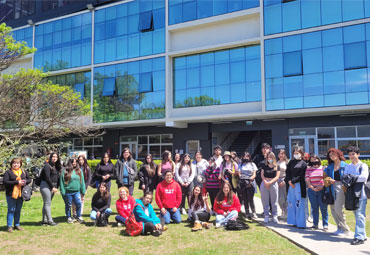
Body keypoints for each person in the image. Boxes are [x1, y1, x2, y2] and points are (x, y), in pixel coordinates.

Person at [343, 146, 368, 245]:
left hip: (361, 194)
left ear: (358, 154)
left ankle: (359, 237)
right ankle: (363, 235)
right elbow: (344, 178)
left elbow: (364, 177)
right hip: (351, 194)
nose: (351, 156)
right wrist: (353, 178)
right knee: (357, 215)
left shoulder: (363, 166)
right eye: (349, 154)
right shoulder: (348, 166)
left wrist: (351, 178)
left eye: (353, 154)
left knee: (359, 215)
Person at [323, 148, 350, 236]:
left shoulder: (345, 165)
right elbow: (324, 176)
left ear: (338, 154)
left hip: (341, 188)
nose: (332, 157)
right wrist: (327, 178)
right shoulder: (329, 167)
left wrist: (339, 182)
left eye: (333, 154)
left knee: (338, 208)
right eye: (330, 156)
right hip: (331, 187)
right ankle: (339, 228)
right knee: (333, 209)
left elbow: (348, 178)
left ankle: (345, 229)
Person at [3, 158, 31, 232]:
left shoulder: (23, 172)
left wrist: (24, 181)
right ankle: (9, 226)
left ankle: (17, 225)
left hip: (21, 194)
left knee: (18, 210)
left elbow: (29, 179)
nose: (16, 165)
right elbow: (5, 182)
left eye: (18, 163)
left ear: (20, 164)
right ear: (11, 164)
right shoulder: (8, 172)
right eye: (14, 163)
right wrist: (17, 182)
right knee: (11, 210)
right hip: (11, 194)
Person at [285, 147, 307, 228]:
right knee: (291, 203)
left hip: (299, 185)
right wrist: (289, 181)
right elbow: (287, 172)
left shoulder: (303, 164)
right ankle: (293, 221)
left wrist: (293, 181)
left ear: (301, 153)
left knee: (299, 204)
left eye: (297, 152)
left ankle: (301, 223)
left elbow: (302, 176)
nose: (296, 154)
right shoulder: (291, 162)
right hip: (291, 185)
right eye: (294, 153)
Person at [305, 155, 328, 231]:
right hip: (312, 191)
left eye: (316, 159)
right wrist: (311, 187)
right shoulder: (308, 169)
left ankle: (325, 224)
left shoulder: (323, 168)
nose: (314, 160)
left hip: (321, 190)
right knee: (314, 208)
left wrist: (322, 186)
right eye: (312, 159)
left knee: (323, 208)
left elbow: (326, 179)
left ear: (319, 159)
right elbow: (307, 179)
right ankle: (315, 224)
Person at [60, 158, 86, 224]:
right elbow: (62, 182)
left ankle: (79, 216)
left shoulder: (79, 171)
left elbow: (82, 181)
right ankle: (69, 216)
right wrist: (63, 191)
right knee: (68, 205)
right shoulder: (65, 171)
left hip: (76, 191)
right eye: (73, 162)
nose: (74, 163)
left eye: (75, 162)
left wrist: (83, 190)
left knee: (78, 203)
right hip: (68, 192)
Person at [40, 152, 61, 226]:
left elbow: (58, 178)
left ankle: (44, 220)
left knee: (46, 203)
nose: (54, 158)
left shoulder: (56, 167)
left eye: (56, 157)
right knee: (47, 203)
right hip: (45, 185)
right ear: (50, 157)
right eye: (53, 157)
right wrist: (52, 187)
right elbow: (47, 178)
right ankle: (50, 221)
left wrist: (56, 187)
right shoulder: (47, 166)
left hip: (52, 186)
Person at [237, 152, 257, 219]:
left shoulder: (252, 164)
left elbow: (254, 174)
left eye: (247, 156)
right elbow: (239, 173)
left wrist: (251, 179)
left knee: (250, 198)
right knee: (244, 198)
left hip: (250, 182)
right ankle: (247, 213)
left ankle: (254, 212)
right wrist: (242, 178)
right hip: (243, 183)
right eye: (244, 157)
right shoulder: (240, 164)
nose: (245, 158)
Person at [261, 152, 280, 223]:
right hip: (265, 183)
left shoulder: (277, 166)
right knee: (265, 200)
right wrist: (265, 182)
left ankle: (275, 215)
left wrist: (270, 182)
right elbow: (262, 175)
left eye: (271, 157)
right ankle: (266, 215)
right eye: (268, 157)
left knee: (274, 201)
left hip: (273, 183)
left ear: (273, 158)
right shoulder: (264, 165)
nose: (269, 159)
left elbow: (277, 176)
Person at [277, 149, 288, 220]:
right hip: (277, 180)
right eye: (279, 154)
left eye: (282, 154)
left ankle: (286, 212)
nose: (281, 155)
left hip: (285, 180)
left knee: (286, 197)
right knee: (279, 198)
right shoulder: (276, 162)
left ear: (285, 155)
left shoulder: (287, 162)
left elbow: (289, 172)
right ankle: (283, 210)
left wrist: (284, 181)